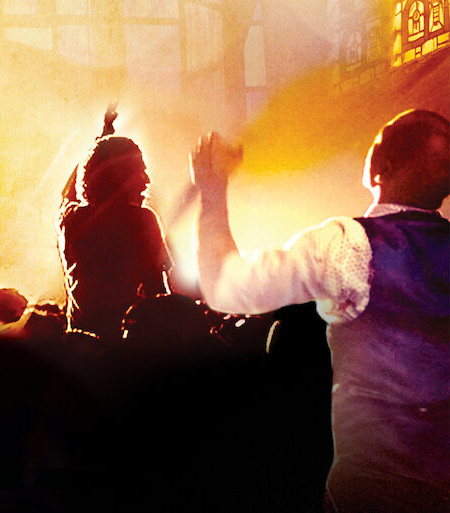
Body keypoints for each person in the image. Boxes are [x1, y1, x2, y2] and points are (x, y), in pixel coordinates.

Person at [189, 109, 450, 512]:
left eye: (377, 140)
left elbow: (225, 286)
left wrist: (212, 188)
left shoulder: (345, 245)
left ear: (382, 167)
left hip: (370, 490)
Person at [58, 106, 172, 341]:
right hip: (128, 345)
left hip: (80, 345)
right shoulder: (140, 220)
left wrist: (103, 138)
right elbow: (158, 293)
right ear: (119, 176)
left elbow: (68, 192)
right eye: (139, 171)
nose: (146, 181)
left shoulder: (70, 220)